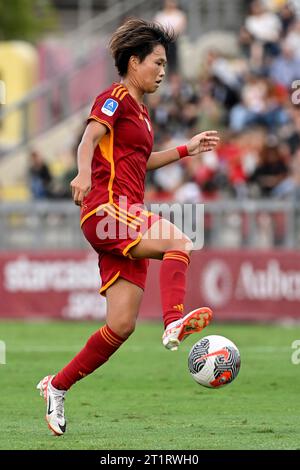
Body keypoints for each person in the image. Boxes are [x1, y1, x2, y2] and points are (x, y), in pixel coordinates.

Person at [37, 18, 220, 436]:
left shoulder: (142, 111)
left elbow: (143, 159)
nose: (162, 71)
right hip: (106, 209)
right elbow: (88, 139)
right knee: (180, 240)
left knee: (120, 325)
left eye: (165, 64)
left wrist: (185, 149)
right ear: (133, 62)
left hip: (125, 216)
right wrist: (82, 174)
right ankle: (174, 319)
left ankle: (56, 387)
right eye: (156, 62)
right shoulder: (115, 97)